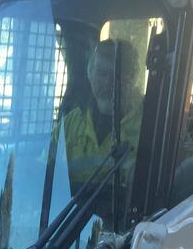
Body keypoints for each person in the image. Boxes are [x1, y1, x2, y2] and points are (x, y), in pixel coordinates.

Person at [59, 38, 142, 214]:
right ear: (90, 74)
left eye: (117, 76)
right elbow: (44, 175)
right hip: (69, 225)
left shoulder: (149, 127)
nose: (108, 84)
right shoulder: (69, 125)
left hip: (124, 229)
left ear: (132, 79)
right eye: (102, 73)